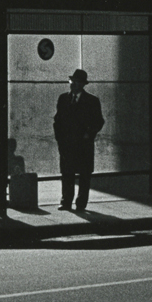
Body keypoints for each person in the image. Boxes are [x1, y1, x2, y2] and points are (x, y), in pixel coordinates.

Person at [53, 68, 104, 212]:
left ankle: (81, 204)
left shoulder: (92, 101)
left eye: (76, 82)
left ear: (83, 84)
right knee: (67, 174)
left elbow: (99, 121)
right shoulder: (63, 99)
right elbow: (57, 121)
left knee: (84, 175)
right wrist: (59, 139)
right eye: (72, 81)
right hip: (67, 144)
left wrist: (89, 134)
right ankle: (66, 202)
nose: (73, 84)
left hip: (83, 145)